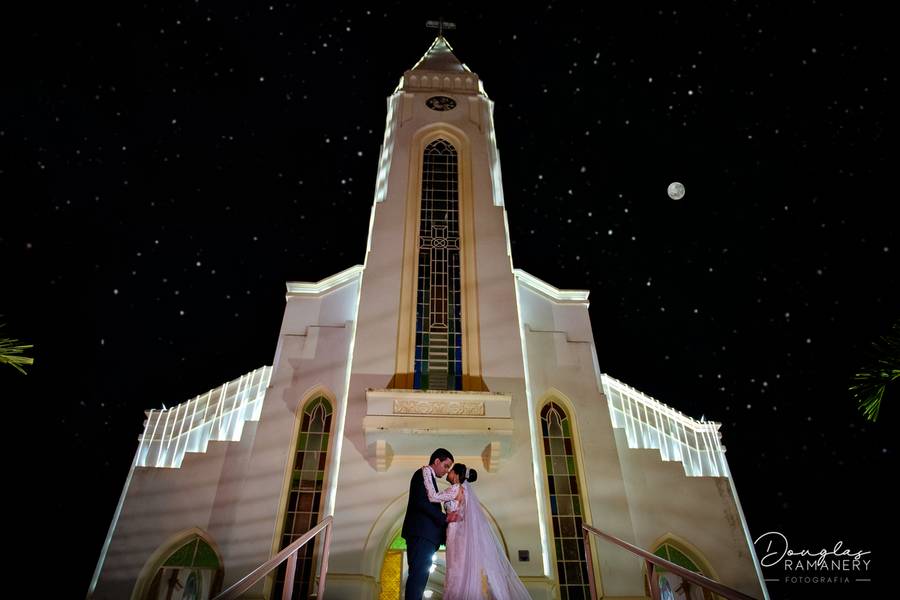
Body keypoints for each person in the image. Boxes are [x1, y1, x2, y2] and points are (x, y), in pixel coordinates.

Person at [441, 463, 530, 600]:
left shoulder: (454, 489)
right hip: (460, 533)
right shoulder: (466, 492)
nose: (448, 472)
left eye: (451, 470)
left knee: (455, 569)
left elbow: (434, 497)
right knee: (460, 569)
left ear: (457, 474)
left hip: (455, 533)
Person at [401, 448, 460, 600]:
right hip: (421, 533)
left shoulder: (430, 479)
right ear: (437, 461)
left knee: (420, 577)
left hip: (425, 535)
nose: (447, 471)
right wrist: (445, 518)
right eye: (446, 466)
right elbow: (421, 503)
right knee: (418, 576)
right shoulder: (423, 474)